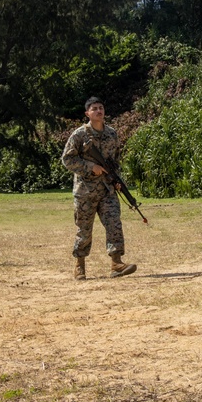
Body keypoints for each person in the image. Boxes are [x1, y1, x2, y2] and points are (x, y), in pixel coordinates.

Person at [62, 97, 138, 280]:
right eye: (94, 108)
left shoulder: (112, 134)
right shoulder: (80, 135)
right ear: (87, 113)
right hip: (85, 191)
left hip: (107, 190)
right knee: (84, 230)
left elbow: (115, 161)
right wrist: (91, 168)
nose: (99, 111)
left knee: (114, 225)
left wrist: (116, 179)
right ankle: (79, 265)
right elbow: (67, 159)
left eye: (101, 108)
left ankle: (117, 263)